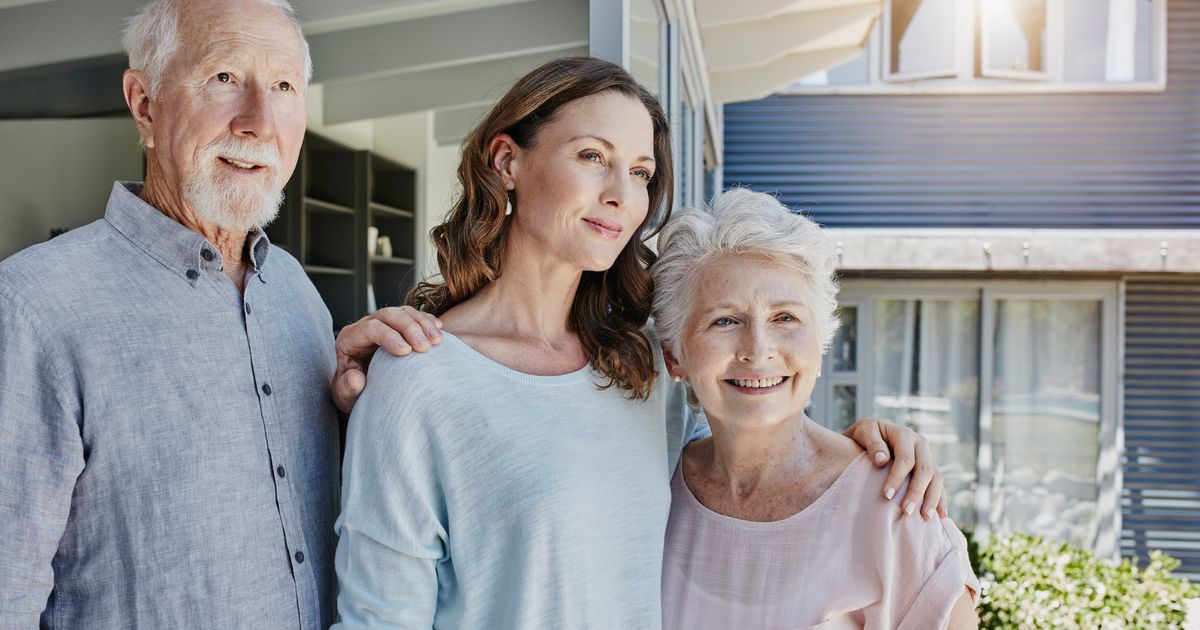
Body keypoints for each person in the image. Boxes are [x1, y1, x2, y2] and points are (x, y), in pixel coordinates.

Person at [333, 57, 950, 629]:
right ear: (506, 161)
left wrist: (871, 442)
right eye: (592, 157)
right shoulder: (418, 378)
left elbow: (750, 462)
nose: (621, 196)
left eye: (640, 173)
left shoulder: (645, 367)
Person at [0, 0, 438, 627]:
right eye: (224, 79)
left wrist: (358, 411)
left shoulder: (292, 288)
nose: (260, 122)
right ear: (144, 105)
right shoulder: (31, 306)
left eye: (284, 87)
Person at [653, 189, 979, 629]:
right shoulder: (655, 493)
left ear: (820, 342)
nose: (758, 350)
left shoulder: (896, 507)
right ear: (674, 355)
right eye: (725, 320)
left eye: (785, 318)